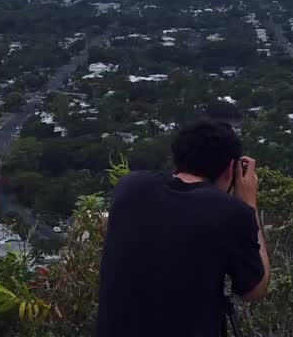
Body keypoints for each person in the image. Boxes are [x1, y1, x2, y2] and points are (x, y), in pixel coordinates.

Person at [96, 117, 270, 336]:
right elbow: (254, 290)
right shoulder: (230, 213)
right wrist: (249, 203)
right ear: (230, 171)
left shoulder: (129, 187)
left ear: (177, 159)